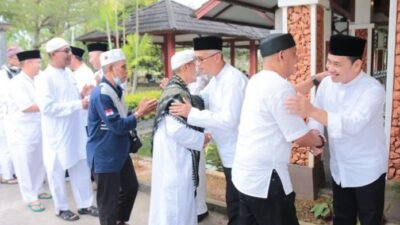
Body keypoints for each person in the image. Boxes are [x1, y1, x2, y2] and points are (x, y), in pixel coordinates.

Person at [285, 34, 388, 225]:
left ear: (357, 65)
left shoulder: (373, 90)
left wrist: (311, 110)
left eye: (337, 64)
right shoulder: (326, 84)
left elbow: (353, 124)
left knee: (370, 219)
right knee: (342, 218)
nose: (330, 69)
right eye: (329, 62)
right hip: (340, 167)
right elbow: (317, 117)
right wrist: (315, 136)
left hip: (367, 169)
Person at [231, 33, 324, 225]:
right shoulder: (280, 87)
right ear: (282, 55)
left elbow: (285, 94)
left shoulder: (257, 80)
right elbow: (299, 136)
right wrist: (319, 141)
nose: (297, 60)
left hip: (245, 175)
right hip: (267, 180)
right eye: (294, 53)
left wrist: (314, 80)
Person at [169, 36, 248, 225]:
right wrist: (178, 92)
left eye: (200, 59)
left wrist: (191, 113)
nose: (197, 64)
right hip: (228, 151)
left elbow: (229, 120)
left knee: (239, 202)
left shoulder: (232, 80)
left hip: (239, 151)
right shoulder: (217, 79)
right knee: (234, 200)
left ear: (217, 57)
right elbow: (203, 98)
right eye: (196, 59)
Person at [86, 48, 157, 225]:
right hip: (105, 156)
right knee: (108, 203)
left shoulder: (116, 90)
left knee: (131, 187)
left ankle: (119, 220)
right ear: (110, 69)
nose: (127, 71)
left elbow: (122, 115)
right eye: (123, 67)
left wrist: (136, 111)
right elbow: (117, 125)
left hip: (119, 151)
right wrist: (139, 114)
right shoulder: (102, 94)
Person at [35, 37, 98, 221]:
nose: (70, 54)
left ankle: (85, 205)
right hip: (57, 135)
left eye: (69, 50)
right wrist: (79, 103)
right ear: (53, 54)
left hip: (75, 132)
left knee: (81, 168)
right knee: (56, 172)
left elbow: (69, 97)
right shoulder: (43, 78)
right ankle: (61, 208)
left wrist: (82, 93)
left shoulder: (69, 74)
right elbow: (47, 108)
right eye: (66, 51)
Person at [149, 49, 211, 225]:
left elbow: (196, 102)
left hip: (173, 157)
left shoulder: (176, 89)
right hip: (176, 161)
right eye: (194, 64)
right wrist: (202, 139)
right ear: (185, 67)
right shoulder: (177, 93)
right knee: (176, 207)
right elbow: (175, 130)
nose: (197, 68)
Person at [7, 50, 49, 212]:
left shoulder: (37, 80)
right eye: (37, 62)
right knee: (24, 165)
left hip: (38, 128)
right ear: (28, 63)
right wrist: (50, 106)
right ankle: (30, 197)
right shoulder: (17, 83)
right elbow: (26, 107)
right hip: (21, 131)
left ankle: (38, 189)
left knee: (39, 161)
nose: (40, 65)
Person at [0, 46, 22, 184]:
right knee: (5, 146)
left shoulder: (18, 73)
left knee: (15, 145)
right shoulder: (3, 74)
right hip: (4, 113)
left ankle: (14, 172)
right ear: (10, 58)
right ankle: (6, 175)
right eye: (17, 57)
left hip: (15, 115)